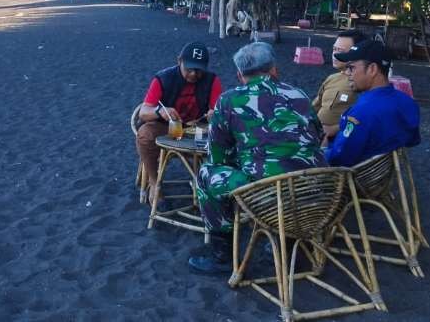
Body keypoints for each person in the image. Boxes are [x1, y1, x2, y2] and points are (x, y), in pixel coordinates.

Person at [188, 42, 325, 274]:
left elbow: (218, 155)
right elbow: (318, 135)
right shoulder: (299, 95)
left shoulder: (229, 100)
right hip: (314, 193)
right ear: (274, 69)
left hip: (266, 197)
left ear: (240, 75)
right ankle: (289, 244)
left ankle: (222, 254)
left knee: (207, 173)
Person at [136, 42, 223, 200]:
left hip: (197, 128)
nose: (193, 74)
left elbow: (218, 111)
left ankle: (204, 182)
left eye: (199, 70)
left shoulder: (212, 81)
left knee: (221, 138)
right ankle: (154, 182)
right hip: (168, 127)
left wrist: (214, 114)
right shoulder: (163, 79)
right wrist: (159, 111)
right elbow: (143, 112)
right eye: (189, 69)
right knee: (145, 134)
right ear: (179, 61)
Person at [326, 40, 421, 167]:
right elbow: (412, 141)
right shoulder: (408, 102)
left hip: (352, 178)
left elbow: (339, 159)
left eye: (351, 68)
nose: (347, 73)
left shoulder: (361, 112)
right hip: (379, 175)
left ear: (372, 69)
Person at [311, 29, 366, 142]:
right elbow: (314, 107)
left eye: (340, 50)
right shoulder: (332, 78)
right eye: (334, 49)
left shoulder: (361, 83)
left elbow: (364, 119)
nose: (334, 54)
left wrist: (334, 129)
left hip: (340, 141)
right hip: (316, 137)